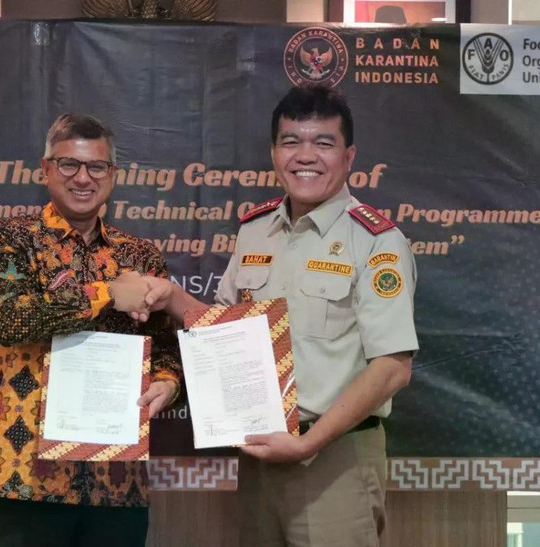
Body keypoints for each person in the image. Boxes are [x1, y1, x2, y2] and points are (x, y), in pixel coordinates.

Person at [144, 84, 418, 546]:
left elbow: (393, 368)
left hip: (334, 457)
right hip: (257, 454)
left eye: (323, 143)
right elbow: (222, 333)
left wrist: (308, 444)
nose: (305, 156)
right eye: (291, 141)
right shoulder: (256, 232)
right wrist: (171, 296)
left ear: (349, 156)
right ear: (274, 152)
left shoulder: (376, 241)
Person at [0, 113, 181, 546]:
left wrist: (168, 382)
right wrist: (107, 294)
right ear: (46, 169)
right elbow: (9, 319)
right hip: (27, 478)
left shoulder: (140, 255)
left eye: (96, 167)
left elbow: (163, 348)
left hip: (117, 483)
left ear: (112, 175)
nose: (82, 177)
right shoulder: (7, 240)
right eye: (69, 164)